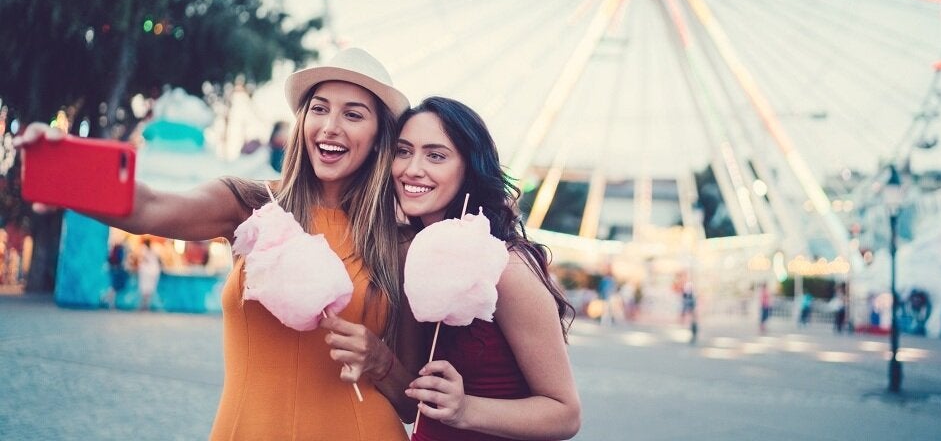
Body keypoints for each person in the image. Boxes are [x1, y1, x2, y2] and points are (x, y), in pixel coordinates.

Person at [15, 47, 427, 440]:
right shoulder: (250, 206)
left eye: (353, 115)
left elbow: (412, 406)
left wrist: (380, 360)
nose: (330, 126)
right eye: (319, 109)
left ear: (379, 138)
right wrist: (62, 166)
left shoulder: (402, 245)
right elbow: (151, 205)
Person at [393, 97, 581, 440]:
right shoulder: (410, 253)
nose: (411, 168)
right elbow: (410, 398)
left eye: (435, 155)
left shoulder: (506, 268)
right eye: (403, 151)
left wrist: (465, 409)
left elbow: (565, 414)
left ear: (470, 168)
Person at [136, 238, 162, 310]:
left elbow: (142, 259)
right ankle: (146, 306)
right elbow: (159, 260)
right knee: (150, 289)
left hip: (146, 272)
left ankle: (144, 306)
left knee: (144, 288)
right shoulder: (156, 248)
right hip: (154, 271)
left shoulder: (143, 249)